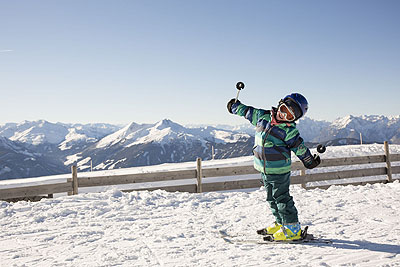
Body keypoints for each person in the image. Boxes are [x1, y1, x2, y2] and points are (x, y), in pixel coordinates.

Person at [227, 93, 321, 241]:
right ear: (280, 104)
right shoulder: (262, 117)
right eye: (284, 110)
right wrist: (234, 106)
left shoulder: (289, 131)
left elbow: (300, 148)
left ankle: (292, 229)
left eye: (290, 116)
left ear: (294, 120)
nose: (284, 116)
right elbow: (247, 111)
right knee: (271, 199)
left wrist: (309, 161)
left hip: (279, 171)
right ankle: (280, 223)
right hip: (263, 169)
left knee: (282, 198)